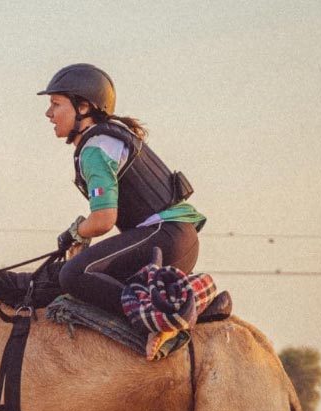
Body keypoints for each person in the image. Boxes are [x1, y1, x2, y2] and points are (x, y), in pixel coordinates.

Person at [40, 63, 206, 320]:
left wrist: (75, 232)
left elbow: (104, 220)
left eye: (56, 103)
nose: (48, 113)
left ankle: (159, 319)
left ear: (83, 107)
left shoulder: (94, 149)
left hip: (166, 237)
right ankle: (202, 302)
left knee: (73, 275)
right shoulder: (107, 139)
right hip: (176, 239)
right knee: (80, 273)